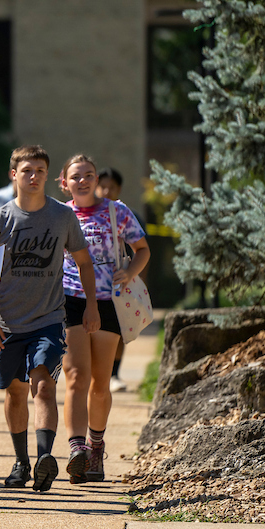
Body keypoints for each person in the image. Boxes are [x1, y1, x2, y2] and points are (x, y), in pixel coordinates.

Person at [0, 145, 95, 493]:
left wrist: (91, 304)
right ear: (13, 175)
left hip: (48, 318)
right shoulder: (0, 220)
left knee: (43, 383)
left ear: (48, 176)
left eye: (40, 171)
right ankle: (21, 462)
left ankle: (45, 457)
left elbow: (83, 260)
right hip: (7, 321)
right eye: (27, 170)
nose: (34, 177)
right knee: (16, 393)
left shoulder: (62, 217)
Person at [58, 155, 149, 483]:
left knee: (99, 382)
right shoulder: (61, 215)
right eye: (76, 176)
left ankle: (96, 445)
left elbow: (142, 248)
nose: (82, 181)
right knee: (75, 377)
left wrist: (129, 272)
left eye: (89, 175)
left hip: (109, 301)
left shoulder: (116, 211)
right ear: (64, 181)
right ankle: (76, 450)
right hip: (70, 299)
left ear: (96, 179)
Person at [95, 167, 134, 393]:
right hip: (91, 287)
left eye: (112, 187)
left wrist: (133, 279)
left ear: (119, 189)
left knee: (118, 332)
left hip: (119, 284)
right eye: (103, 186)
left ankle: (114, 373)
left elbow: (139, 251)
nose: (107, 190)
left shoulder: (125, 214)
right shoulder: (84, 214)